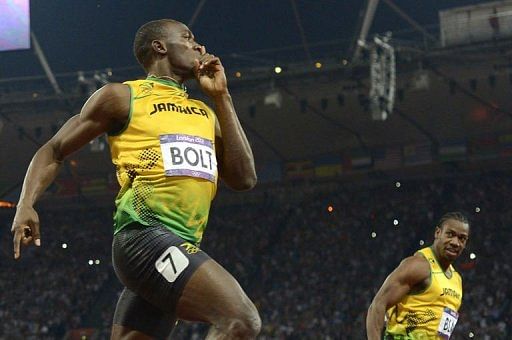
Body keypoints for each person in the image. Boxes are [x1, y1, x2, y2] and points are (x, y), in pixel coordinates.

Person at [11, 18, 261, 339]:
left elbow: (244, 179)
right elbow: (54, 149)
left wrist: (222, 97)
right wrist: (26, 205)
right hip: (144, 238)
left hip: (180, 245)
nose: (199, 46)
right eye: (187, 38)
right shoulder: (123, 96)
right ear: (160, 47)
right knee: (240, 320)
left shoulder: (205, 113)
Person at [366, 212, 470, 340]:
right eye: (450, 234)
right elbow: (378, 305)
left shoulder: (457, 280)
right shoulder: (418, 265)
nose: (455, 242)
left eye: (462, 238)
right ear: (438, 233)